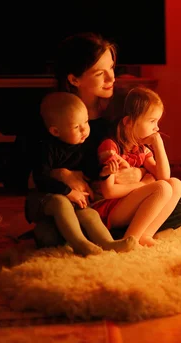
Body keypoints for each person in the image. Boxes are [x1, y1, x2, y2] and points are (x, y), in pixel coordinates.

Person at [31, 32, 181, 247]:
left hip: (127, 199)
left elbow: (139, 156)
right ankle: (109, 233)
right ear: (74, 79)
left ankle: (122, 233)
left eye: (111, 68)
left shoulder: (120, 110)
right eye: (100, 73)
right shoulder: (55, 117)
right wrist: (62, 173)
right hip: (87, 205)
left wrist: (139, 172)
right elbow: (31, 177)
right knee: (49, 233)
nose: (111, 78)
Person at [26, 92, 136, 255]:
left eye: (86, 122)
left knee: (89, 213)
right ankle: (80, 243)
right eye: (77, 127)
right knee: (60, 202)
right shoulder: (46, 148)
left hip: (73, 200)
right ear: (56, 131)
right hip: (42, 200)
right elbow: (41, 179)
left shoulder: (83, 146)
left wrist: (105, 171)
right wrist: (69, 192)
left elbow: (90, 171)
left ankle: (108, 243)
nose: (85, 129)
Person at [91, 87, 181, 246]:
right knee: (161, 188)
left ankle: (145, 234)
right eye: (152, 121)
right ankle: (130, 239)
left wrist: (158, 144)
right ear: (128, 122)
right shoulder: (110, 147)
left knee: (175, 184)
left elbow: (165, 176)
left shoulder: (140, 148)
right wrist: (142, 184)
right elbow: (108, 192)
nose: (157, 128)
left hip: (127, 204)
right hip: (109, 210)